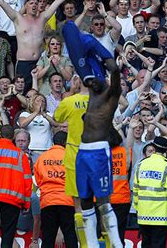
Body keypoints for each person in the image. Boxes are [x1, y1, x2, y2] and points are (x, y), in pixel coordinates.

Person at [63, 18, 123, 247]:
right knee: (85, 200)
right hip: (82, 153)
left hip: (99, 153)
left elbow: (114, 69)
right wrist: (86, 48)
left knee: (103, 202)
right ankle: (89, 243)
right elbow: (71, 37)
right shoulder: (90, 95)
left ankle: (116, 244)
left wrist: (108, 58)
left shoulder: (111, 96)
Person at [54, 76, 89, 245]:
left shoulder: (70, 101)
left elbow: (58, 117)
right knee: (99, 203)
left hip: (75, 154)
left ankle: (83, 243)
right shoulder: (100, 101)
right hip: (95, 155)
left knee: (78, 205)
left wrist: (73, 93)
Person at [0, 124, 32, 248]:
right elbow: (27, 180)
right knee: (8, 235)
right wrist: (26, 203)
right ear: (14, 137)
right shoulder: (21, 155)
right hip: (12, 200)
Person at [133, 136, 167, 248]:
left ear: (153, 148)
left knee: (146, 244)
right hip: (160, 216)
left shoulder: (141, 165)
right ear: (166, 150)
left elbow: (136, 189)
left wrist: (138, 208)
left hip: (143, 214)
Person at [34, 130, 78, 248]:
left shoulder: (42, 158)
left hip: (47, 201)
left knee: (48, 237)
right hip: (67, 201)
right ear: (65, 142)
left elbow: (38, 181)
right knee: (70, 234)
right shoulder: (71, 157)